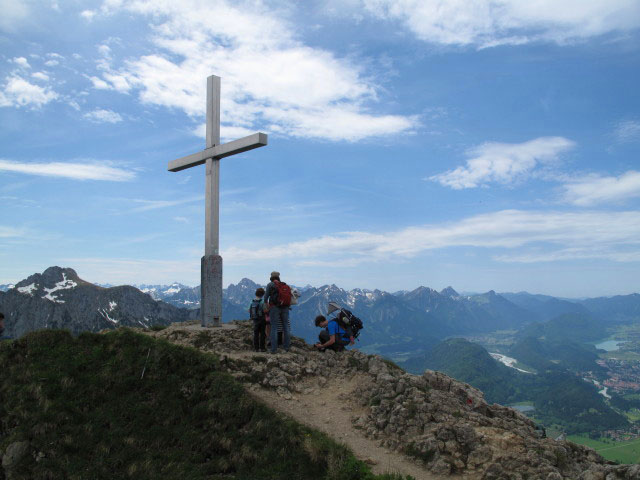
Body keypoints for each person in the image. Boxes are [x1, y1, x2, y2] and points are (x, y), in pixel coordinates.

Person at [264, 271, 290, 353]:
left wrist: (267, 305)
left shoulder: (270, 285)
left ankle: (273, 349)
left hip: (274, 307)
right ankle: (286, 347)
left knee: (274, 327)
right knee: (285, 326)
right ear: (278, 277)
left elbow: (265, 298)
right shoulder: (284, 285)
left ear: (271, 277)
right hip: (285, 307)